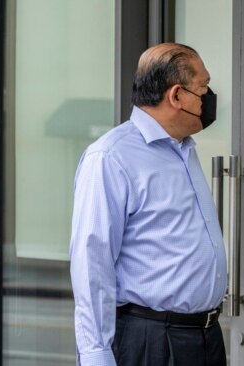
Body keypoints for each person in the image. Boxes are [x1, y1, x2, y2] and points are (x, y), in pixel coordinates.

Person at [69, 43, 227, 366]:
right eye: (203, 88)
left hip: (206, 339)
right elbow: (92, 265)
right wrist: (96, 356)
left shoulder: (184, 150)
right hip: (153, 342)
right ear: (176, 96)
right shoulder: (111, 158)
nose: (210, 97)